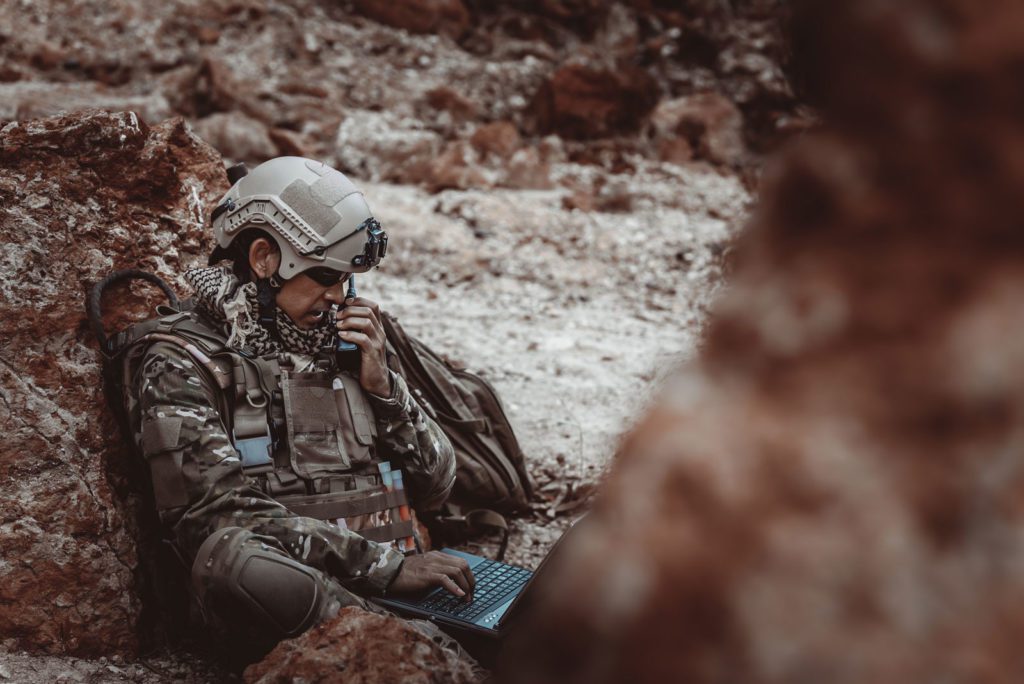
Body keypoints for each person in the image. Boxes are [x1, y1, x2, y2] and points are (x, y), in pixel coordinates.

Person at [126, 156, 476, 661]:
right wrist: (384, 568)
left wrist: (384, 390)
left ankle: (425, 645)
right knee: (233, 559)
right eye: (325, 277)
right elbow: (212, 518)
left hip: (403, 585)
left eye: (346, 281)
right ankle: (407, 649)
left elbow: (438, 485)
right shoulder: (184, 361)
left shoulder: (352, 342)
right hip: (307, 605)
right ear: (265, 258)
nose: (339, 297)